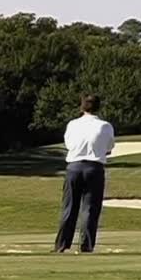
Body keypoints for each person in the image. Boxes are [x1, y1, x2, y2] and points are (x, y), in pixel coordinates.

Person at [53, 95, 115, 253]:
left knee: (69, 207)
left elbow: (68, 145)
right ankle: (86, 245)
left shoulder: (72, 124)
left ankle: (62, 244)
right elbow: (109, 148)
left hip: (74, 166)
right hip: (94, 167)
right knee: (90, 208)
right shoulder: (105, 126)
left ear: (82, 107)